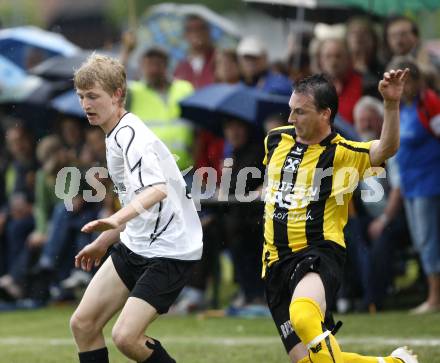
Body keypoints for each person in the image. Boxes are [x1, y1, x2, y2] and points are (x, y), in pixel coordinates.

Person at [262, 70, 418, 363]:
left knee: (303, 316)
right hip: (274, 263)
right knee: (312, 361)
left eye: (300, 112)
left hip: (318, 252)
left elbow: (387, 148)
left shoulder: (343, 152)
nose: (292, 119)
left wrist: (390, 105)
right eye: (290, 110)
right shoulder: (275, 140)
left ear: (325, 114)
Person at [69, 54, 203, 363]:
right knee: (83, 324)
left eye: (93, 96)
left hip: (170, 251)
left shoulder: (132, 135)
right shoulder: (114, 132)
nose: (86, 104)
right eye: (81, 97)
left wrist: (114, 218)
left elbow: (157, 190)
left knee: (126, 337)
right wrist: (105, 241)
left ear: (116, 95)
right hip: (136, 243)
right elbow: (137, 201)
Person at [387, 57, 440, 314]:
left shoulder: (428, 103)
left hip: (429, 183)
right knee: (420, 241)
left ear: (417, 81)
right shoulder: (403, 107)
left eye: (406, 81)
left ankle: (434, 298)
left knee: (429, 241)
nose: (403, 87)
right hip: (410, 184)